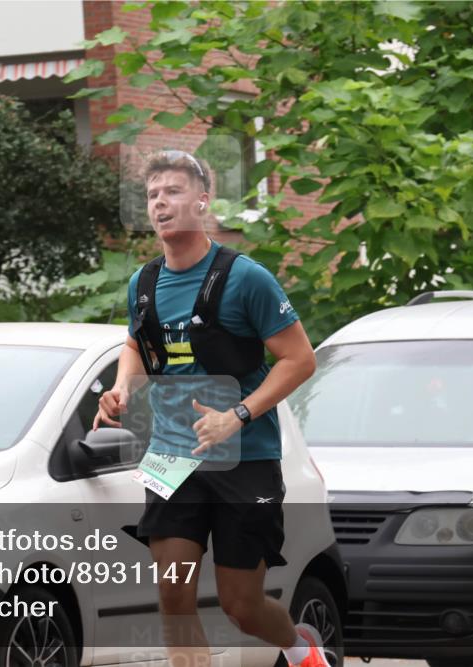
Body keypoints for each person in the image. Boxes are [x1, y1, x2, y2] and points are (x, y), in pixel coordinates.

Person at [93, 150, 326, 667]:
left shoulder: (246, 279)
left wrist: (236, 415)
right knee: (174, 596)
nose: (160, 204)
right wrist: (124, 388)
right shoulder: (143, 283)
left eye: (172, 192)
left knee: (240, 605)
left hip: (246, 458)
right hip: (172, 458)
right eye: (153, 195)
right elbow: (136, 345)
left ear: (202, 202)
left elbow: (299, 360)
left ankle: (301, 647)